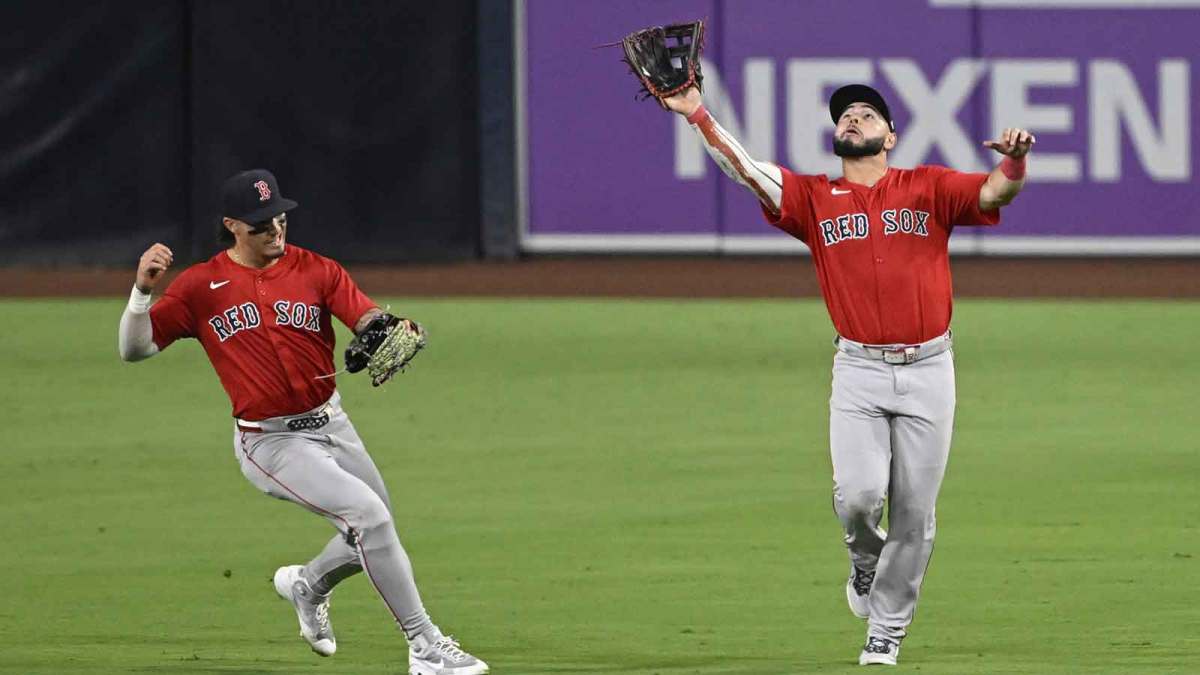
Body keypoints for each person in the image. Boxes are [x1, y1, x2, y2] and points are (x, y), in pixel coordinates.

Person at [662, 84, 1033, 666]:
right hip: (858, 369)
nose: (852, 119)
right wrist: (696, 113)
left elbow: (996, 190)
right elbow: (745, 169)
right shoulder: (813, 198)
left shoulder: (928, 186)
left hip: (930, 369)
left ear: (890, 135)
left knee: (914, 514)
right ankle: (865, 561)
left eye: (866, 114)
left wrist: (1014, 159)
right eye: (844, 115)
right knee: (858, 500)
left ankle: (886, 629)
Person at [118, 169, 488, 675]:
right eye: (261, 225)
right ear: (232, 226)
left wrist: (388, 330)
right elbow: (133, 349)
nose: (275, 231)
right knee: (369, 518)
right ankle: (426, 648)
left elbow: (365, 319)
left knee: (376, 531)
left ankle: (306, 586)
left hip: (333, 424)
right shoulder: (201, 286)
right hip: (269, 443)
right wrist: (142, 293)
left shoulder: (318, 270)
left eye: (280, 219)